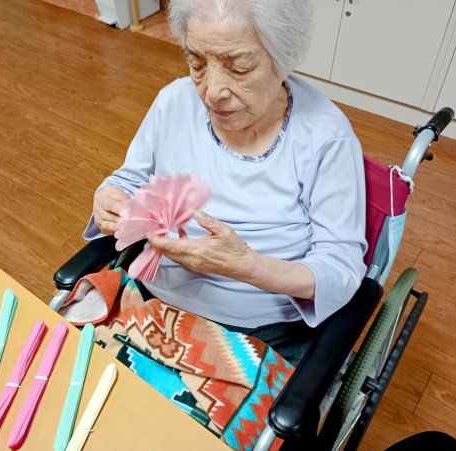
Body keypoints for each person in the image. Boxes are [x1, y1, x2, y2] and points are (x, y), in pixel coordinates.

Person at [84, 0, 367, 365]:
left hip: (261, 335)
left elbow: (340, 271)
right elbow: (128, 179)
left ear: (281, 58)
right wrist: (110, 196)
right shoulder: (173, 102)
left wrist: (249, 267)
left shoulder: (326, 138)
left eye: (238, 67)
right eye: (197, 63)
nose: (212, 91)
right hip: (152, 304)